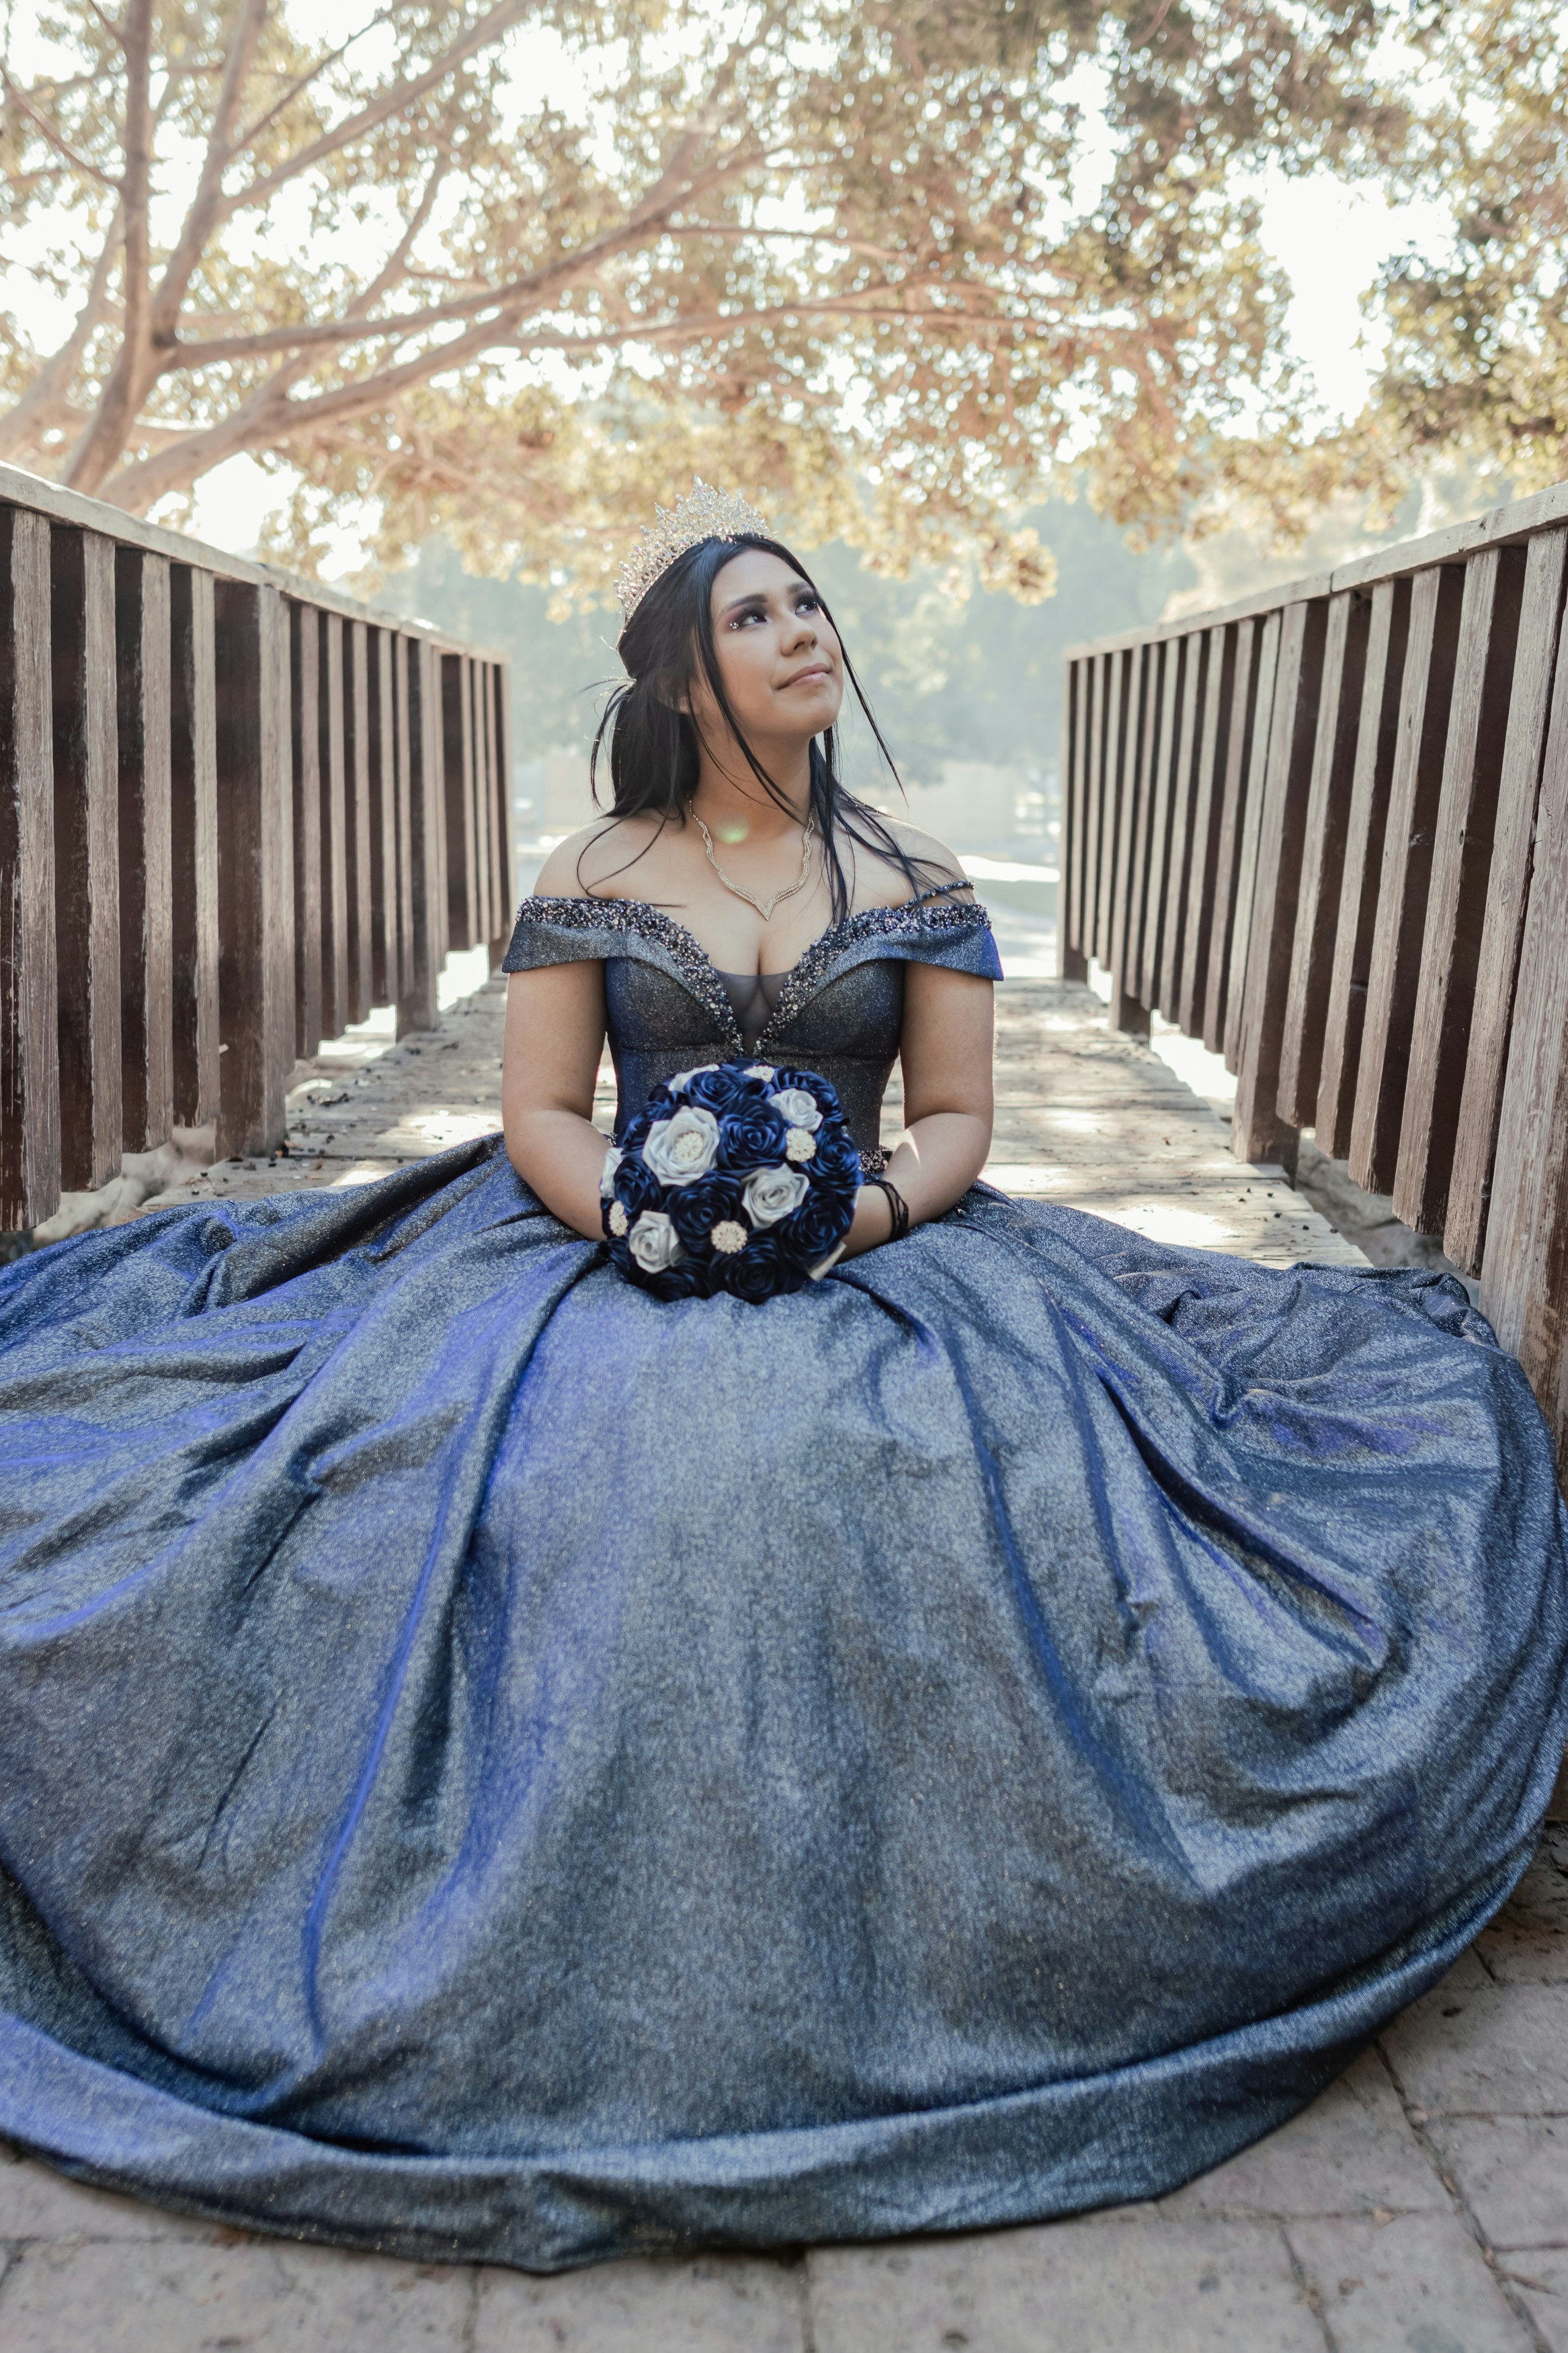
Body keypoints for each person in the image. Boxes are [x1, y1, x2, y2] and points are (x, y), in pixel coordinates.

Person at [0, 483, 1562, 2279]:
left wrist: (859, 1214)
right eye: (754, 615)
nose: (802, 630)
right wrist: (639, 1224)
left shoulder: (917, 877)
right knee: (553, 1461)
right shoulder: (596, 870)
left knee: (905, 1471)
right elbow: (541, 1111)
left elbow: (957, 1117)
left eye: (807, 604)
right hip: (602, 1235)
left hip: (880, 1245)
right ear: (684, 676)